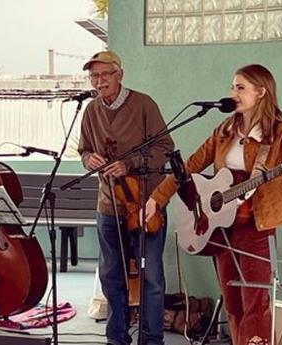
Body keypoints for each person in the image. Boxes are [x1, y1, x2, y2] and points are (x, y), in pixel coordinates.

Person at [144, 64, 282, 345]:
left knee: (256, 304)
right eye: (232, 87)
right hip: (221, 229)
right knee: (233, 303)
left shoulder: (280, 134)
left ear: (261, 92)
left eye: (241, 87)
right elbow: (191, 165)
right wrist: (157, 198)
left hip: (257, 226)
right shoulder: (225, 129)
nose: (233, 93)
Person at [78, 50, 175, 345]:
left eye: (105, 74)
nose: (99, 80)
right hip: (108, 205)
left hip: (144, 205)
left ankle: (151, 340)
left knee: (152, 280)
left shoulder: (144, 104)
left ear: (120, 74)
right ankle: (116, 339)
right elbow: (83, 150)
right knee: (111, 277)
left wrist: (129, 164)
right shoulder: (91, 110)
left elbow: (165, 148)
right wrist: (88, 160)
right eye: (94, 75)